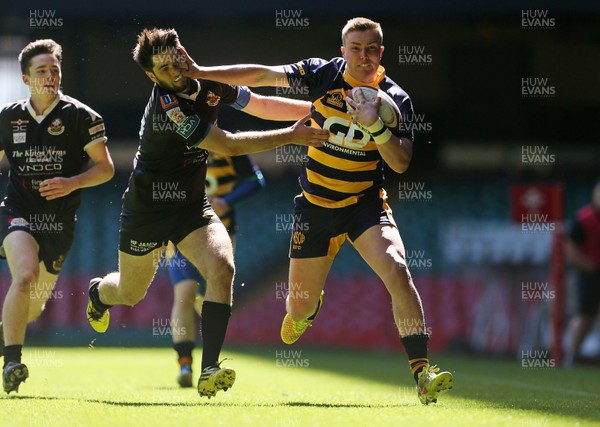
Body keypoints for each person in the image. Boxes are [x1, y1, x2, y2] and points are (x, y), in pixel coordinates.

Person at [179, 17, 453, 404]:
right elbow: (263, 74)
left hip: (365, 206)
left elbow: (402, 162)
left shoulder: (395, 98)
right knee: (298, 308)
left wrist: (376, 127)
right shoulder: (322, 75)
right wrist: (200, 71)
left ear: (381, 52)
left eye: (371, 49)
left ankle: (422, 373)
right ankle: (308, 309)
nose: (363, 56)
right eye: (355, 49)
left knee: (397, 268)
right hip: (315, 209)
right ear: (343, 52)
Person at [84, 28, 328, 399]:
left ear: (184, 49)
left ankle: (209, 368)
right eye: (165, 68)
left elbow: (260, 104)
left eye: (177, 56)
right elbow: (226, 145)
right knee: (130, 293)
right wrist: (291, 136)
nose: (177, 69)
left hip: (191, 206)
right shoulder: (169, 107)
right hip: (147, 209)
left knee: (222, 267)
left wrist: (323, 112)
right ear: (152, 77)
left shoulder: (210, 81)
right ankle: (99, 294)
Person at [0, 39, 114, 394]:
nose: (49, 76)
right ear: (25, 78)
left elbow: (106, 168)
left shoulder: (81, 116)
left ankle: (9, 332)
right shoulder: (8, 117)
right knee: (24, 275)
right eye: (41, 71)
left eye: (54, 69)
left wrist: (72, 182)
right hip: (17, 213)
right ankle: (13, 362)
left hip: (60, 224)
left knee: (32, 308)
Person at [167, 152, 266, 387]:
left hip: (222, 233)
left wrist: (226, 201)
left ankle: (210, 364)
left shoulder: (229, 145)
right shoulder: (178, 146)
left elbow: (256, 180)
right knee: (185, 294)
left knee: (216, 291)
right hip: (182, 233)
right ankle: (185, 364)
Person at [565, 179, 600, 365]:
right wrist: (589, 267)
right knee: (585, 315)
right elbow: (571, 250)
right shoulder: (584, 218)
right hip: (590, 272)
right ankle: (573, 355)